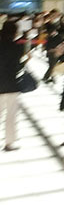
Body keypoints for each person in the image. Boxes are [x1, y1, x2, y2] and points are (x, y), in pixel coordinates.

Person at [0, 18, 24, 152]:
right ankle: (8, 143)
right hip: (11, 85)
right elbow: (18, 67)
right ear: (14, 32)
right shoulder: (16, 47)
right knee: (10, 115)